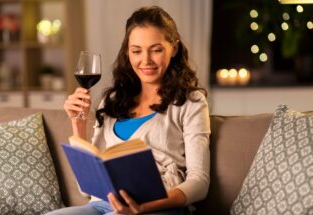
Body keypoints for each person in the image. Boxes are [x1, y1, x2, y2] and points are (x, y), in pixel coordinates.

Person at [47, 5, 210, 215]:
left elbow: (199, 182)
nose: (146, 60)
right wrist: (77, 122)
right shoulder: (112, 101)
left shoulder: (191, 102)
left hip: (158, 206)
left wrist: (143, 207)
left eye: (157, 49)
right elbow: (86, 188)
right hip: (103, 205)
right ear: (127, 52)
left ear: (174, 48)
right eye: (136, 51)